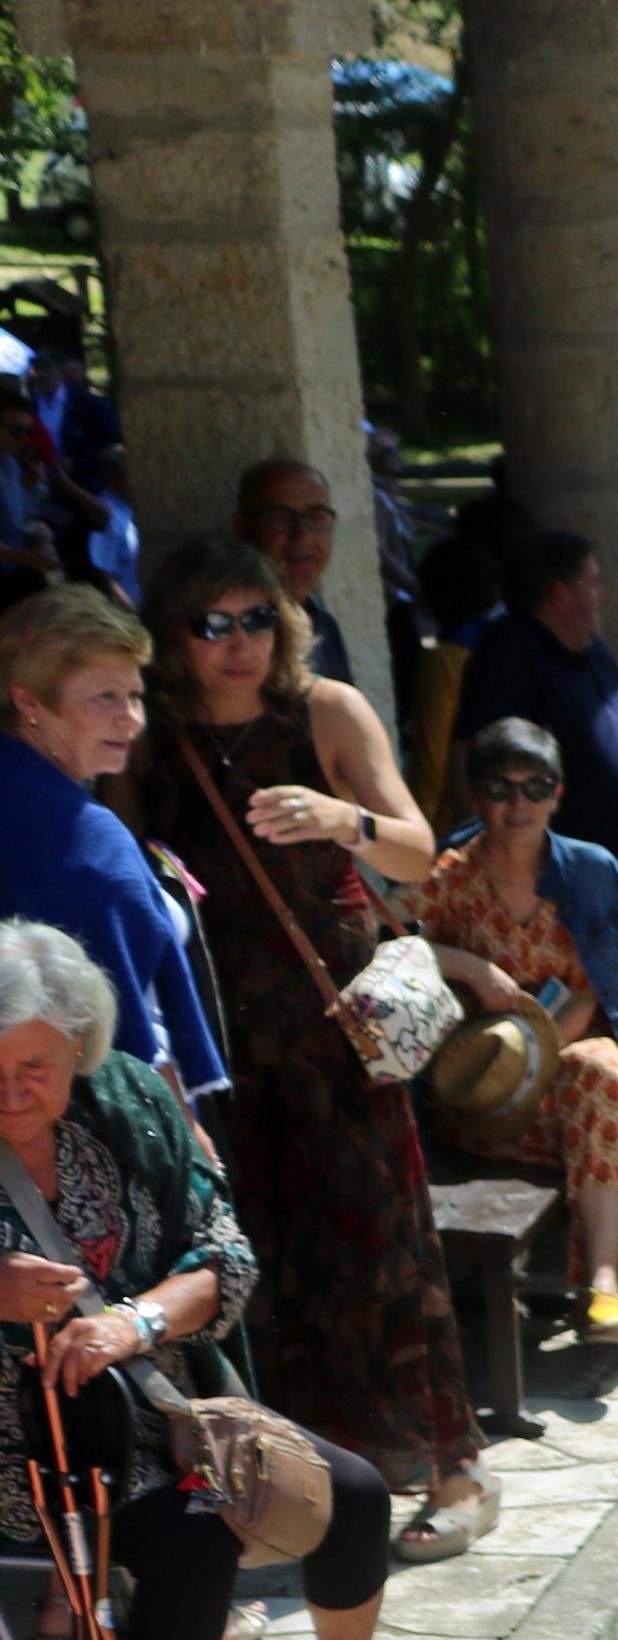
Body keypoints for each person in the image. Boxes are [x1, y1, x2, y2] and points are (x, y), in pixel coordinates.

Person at [0, 919, 456, 1640]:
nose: (11, 1091)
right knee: (190, 1529)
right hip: (21, 1448)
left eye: (34, 1067)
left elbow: (224, 1252)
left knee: (355, 1493)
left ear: (79, 1046)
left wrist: (137, 1320)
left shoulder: (126, 1105)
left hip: (151, 1407)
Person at [124, 535, 490, 1560]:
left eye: (255, 620)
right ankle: (294, 1485)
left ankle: (451, 1466)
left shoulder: (325, 712)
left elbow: (418, 850)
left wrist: (345, 816)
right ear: (176, 635)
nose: (236, 644)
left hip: (338, 1035)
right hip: (221, 1043)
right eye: (211, 624)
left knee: (388, 1251)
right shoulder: (150, 737)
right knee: (263, 1264)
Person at [414, 720, 618, 1354]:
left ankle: (606, 1286)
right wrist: (471, 967)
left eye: (536, 787)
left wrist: (537, 1055)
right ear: (476, 796)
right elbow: (403, 951)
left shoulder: (589, 872)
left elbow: (602, 991)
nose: (519, 804)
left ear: (557, 795)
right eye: (501, 788)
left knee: (604, 1077)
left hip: (561, 1070)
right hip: (482, 1093)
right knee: (609, 1108)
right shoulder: (449, 875)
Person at [0, 588, 224, 1098]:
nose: (133, 719)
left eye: (135, 696)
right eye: (106, 697)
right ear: (28, 700)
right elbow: (127, 1031)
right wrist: (183, 1138)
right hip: (89, 1125)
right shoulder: (76, 837)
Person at [443, 530, 618, 877]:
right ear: (560, 596)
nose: (602, 593)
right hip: (558, 880)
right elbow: (470, 753)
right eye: (593, 582)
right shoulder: (509, 652)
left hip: (613, 873)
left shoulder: (589, 647)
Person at [232, 459, 357, 690]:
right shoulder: (234, 631)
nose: (302, 535)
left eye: (316, 516)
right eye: (280, 518)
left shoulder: (322, 622)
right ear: (243, 530)